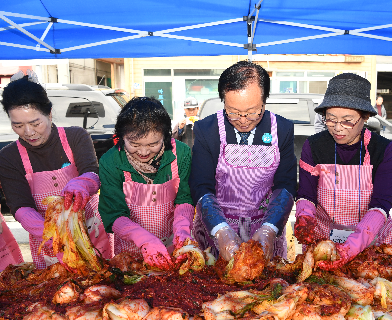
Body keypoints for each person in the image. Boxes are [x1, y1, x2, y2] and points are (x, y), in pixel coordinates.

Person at [0, 71, 113, 269]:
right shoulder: (9, 157)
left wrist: (83, 183)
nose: (28, 132)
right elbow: (20, 206)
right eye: (18, 125)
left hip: (90, 232)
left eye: (35, 123)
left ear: (49, 114)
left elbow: (92, 173)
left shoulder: (76, 137)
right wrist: (53, 236)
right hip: (47, 240)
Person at [190, 61, 296, 262]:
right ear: (223, 101)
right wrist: (220, 231)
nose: (243, 120)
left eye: (252, 112)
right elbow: (201, 185)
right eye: (234, 112)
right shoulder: (207, 130)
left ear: (264, 101)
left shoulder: (281, 129)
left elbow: (285, 184)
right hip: (217, 228)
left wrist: (270, 229)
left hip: (265, 228)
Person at [294, 73, 392, 270]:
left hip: (371, 242)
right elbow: (306, 194)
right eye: (331, 119)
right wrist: (304, 217)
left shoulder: (383, 150)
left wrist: (351, 247)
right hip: (324, 243)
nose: (338, 128)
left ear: (366, 117)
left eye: (347, 120)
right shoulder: (314, 146)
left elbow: (381, 204)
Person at [98, 97, 194, 268]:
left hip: (173, 250)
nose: (143, 152)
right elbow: (113, 214)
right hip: (130, 255)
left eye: (153, 144)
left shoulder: (181, 153)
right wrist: (144, 239)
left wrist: (182, 229)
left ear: (165, 137)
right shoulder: (110, 161)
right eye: (134, 144)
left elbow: (184, 198)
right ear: (121, 137)